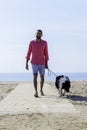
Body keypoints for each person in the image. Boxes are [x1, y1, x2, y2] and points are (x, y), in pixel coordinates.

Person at [25, 29, 49, 97]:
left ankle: (41, 90)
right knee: (35, 76)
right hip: (34, 62)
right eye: (38, 33)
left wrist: (46, 63)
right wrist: (26, 63)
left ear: (42, 35)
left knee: (42, 77)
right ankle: (36, 91)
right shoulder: (31, 42)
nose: (39, 34)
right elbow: (28, 52)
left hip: (42, 62)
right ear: (35, 34)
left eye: (40, 33)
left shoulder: (44, 43)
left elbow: (46, 53)